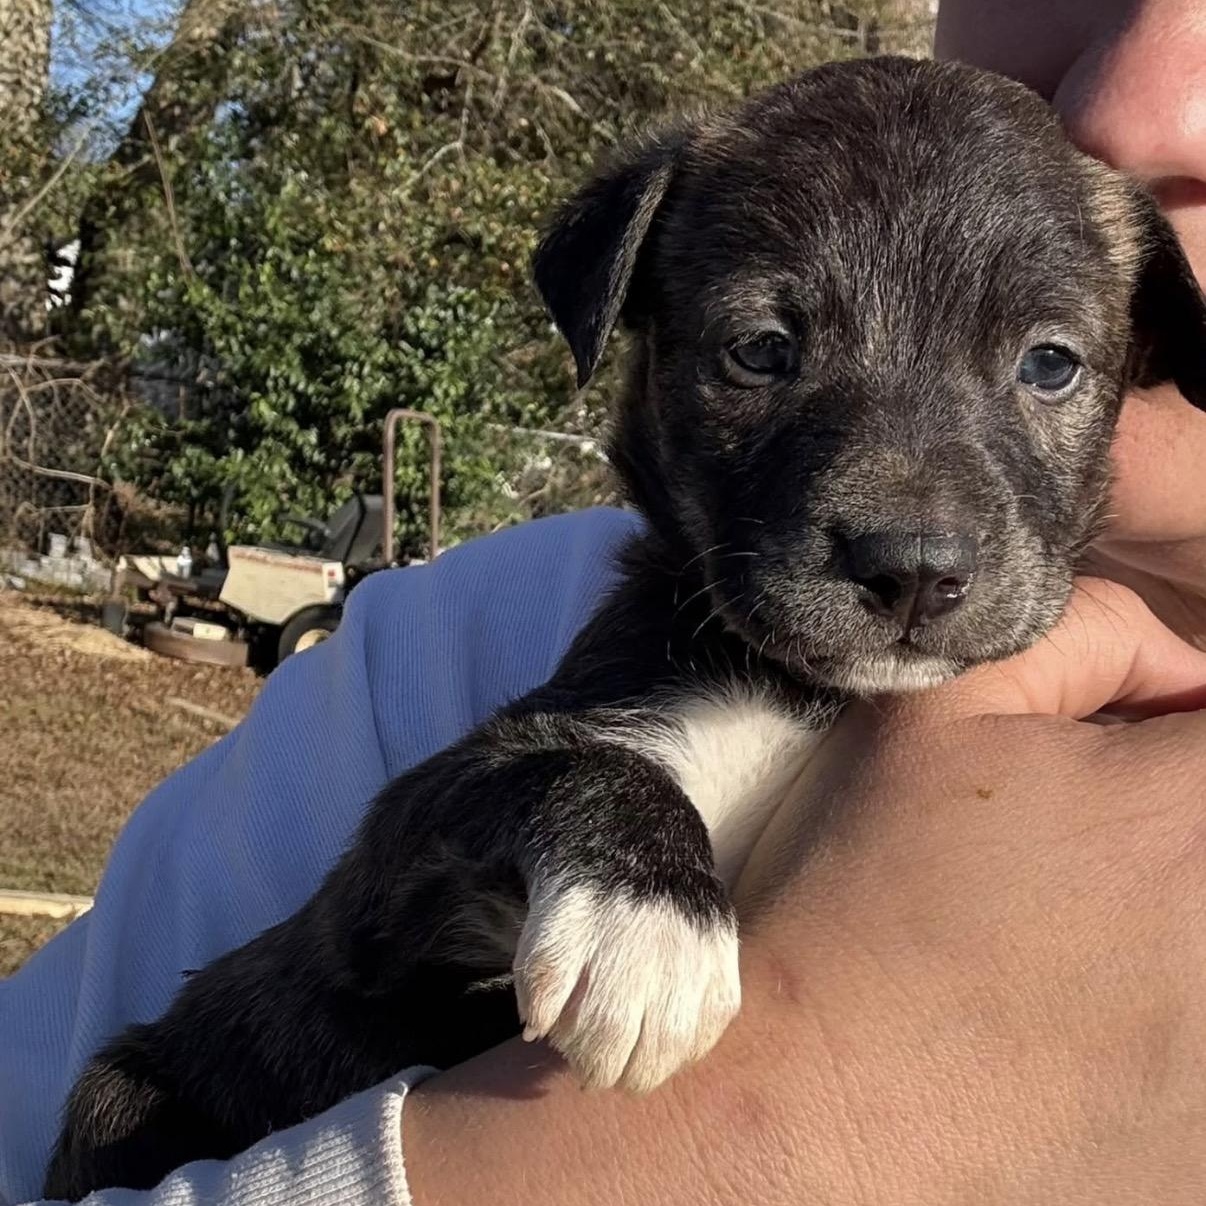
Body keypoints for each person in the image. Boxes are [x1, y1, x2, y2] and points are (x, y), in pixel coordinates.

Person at [6, 1, 1206, 1200]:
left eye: (1048, 365)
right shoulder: (477, 655)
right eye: (763, 352)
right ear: (637, 333)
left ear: (1146, 351)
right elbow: (441, 845)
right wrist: (787, 1065)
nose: (917, 526)